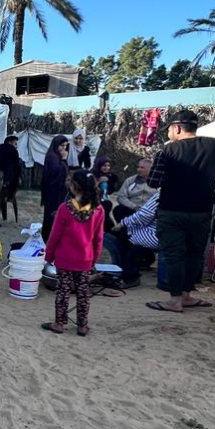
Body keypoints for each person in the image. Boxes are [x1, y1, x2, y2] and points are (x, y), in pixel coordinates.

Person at [146, 109, 215, 313]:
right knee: (194, 255)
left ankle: (174, 301)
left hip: (171, 211)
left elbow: (153, 182)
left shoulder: (167, 151)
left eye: (169, 130)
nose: (169, 134)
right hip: (202, 212)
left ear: (177, 128)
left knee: (173, 255)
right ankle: (186, 296)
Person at [41, 170, 104, 337]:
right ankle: (82, 326)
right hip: (85, 259)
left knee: (63, 291)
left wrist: (48, 256)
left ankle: (59, 323)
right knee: (83, 293)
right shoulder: (98, 210)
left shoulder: (65, 208)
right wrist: (94, 260)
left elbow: (54, 236)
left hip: (64, 259)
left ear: (74, 187)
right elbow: (98, 239)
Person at [110, 190, 161, 289]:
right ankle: (142, 261)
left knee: (124, 235)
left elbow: (145, 216)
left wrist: (122, 223)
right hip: (169, 232)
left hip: (156, 234)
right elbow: (121, 196)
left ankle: (129, 277)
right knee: (121, 210)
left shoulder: (163, 192)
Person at [40, 135, 71, 240]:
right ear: (56, 145)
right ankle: (47, 239)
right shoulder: (52, 157)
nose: (64, 148)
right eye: (61, 145)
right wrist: (63, 160)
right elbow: (58, 174)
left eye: (65, 146)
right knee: (51, 216)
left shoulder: (56, 156)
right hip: (53, 192)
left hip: (58, 191)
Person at [0, 136, 22, 223]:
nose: (16, 146)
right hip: (8, 184)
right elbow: (16, 168)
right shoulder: (13, 151)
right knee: (4, 196)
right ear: (9, 142)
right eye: (15, 144)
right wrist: (18, 178)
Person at [93, 155, 119, 231]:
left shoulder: (111, 176)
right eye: (104, 165)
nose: (106, 168)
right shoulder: (93, 174)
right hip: (93, 198)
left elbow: (110, 191)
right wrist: (99, 182)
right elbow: (89, 188)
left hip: (104, 199)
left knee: (107, 205)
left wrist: (109, 182)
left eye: (108, 166)